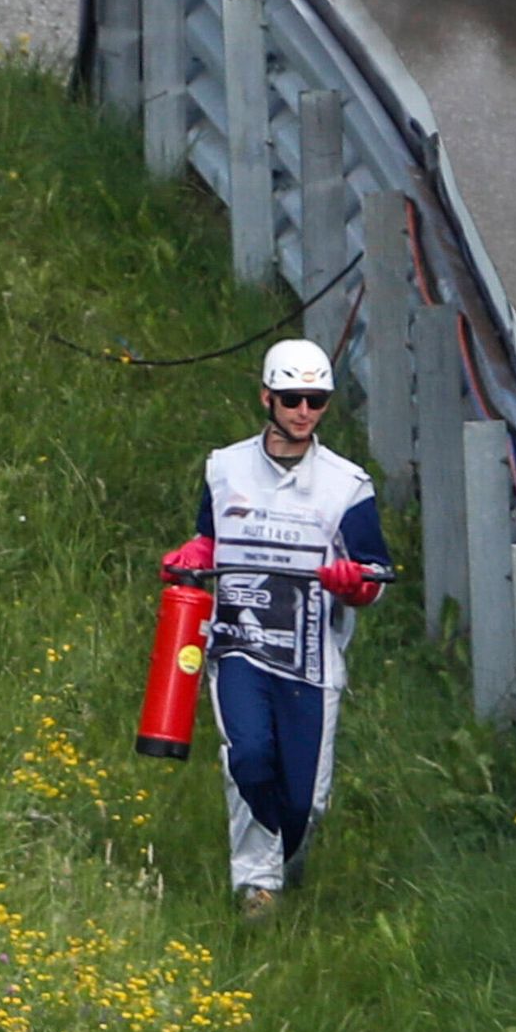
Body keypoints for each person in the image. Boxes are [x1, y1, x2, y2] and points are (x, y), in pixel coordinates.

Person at [161, 339, 394, 915]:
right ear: (267, 397)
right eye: (292, 399)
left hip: (312, 658)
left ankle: (286, 860)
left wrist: (355, 582)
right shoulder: (225, 467)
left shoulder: (348, 485)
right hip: (239, 645)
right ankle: (256, 886)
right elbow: (206, 537)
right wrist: (193, 552)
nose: (303, 412)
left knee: (304, 801)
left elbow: (375, 570)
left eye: (316, 401)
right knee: (249, 758)